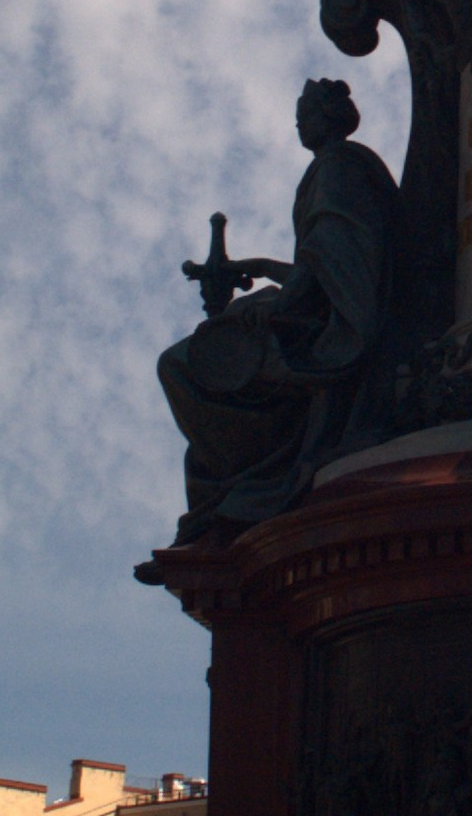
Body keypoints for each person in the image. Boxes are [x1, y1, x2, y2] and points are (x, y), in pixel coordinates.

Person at [159, 78, 398, 534]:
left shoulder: (337, 169)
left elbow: (331, 256)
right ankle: (241, 481)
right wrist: (267, 268)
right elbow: (331, 265)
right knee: (210, 346)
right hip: (321, 314)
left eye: (304, 116)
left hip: (332, 334)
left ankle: (242, 483)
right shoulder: (338, 168)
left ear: (325, 119)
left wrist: (279, 303)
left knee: (181, 364)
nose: (298, 126)